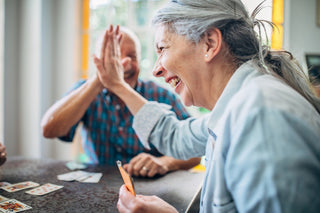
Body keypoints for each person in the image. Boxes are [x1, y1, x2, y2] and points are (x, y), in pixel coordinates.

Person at [92, 0, 320, 212]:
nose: (156, 70)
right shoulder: (237, 106)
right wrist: (118, 85)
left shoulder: (262, 118)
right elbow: (176, 136)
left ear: (209, 44)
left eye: (162, 48)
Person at [41, 26, 200, 177]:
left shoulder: (161, 95)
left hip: (152, 186)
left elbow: (195, 151)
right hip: (99, 186)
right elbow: (50, 130)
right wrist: (100, 80)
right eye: (115, 57)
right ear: (98, 61)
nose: (125, 64)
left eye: (132, 56)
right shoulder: (84, 90)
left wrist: (164, 162)